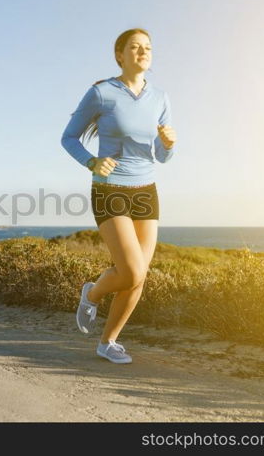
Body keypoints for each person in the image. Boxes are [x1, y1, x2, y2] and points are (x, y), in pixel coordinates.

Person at [60, 28, 177, 364]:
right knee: (131, 272)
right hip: (109, 189)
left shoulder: (161, 98)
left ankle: (107, 342)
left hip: (146, 192)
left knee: (139, 274)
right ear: (120, 55)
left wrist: (168, 144)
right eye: (135, 47)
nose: (143, 52)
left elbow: (162, 156)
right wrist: (92, 161)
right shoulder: (101, 93)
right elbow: (69, 138)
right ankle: (92, 293)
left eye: (148, 48)